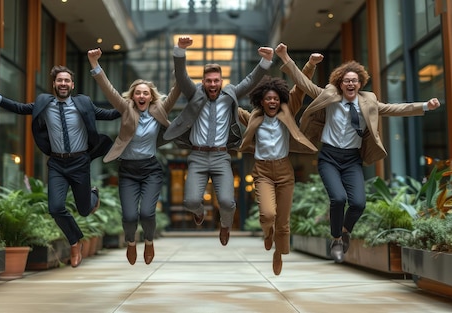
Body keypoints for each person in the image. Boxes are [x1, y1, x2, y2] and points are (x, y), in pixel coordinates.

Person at [278, 46, 441, 263]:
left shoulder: (369, 101)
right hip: (329, 157)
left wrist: (425, 106)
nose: (351, 84)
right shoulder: (329, 95)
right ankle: (336, 239)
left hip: (352, 158)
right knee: (338, 198)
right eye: (346, 80)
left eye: (354, 80)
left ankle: (345, 231)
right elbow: (303, 82)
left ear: (360, 83)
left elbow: (395, 109)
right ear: (340, 83)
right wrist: (285, 57)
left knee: (358, 204)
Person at [0, 65, 121, 268]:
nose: (63, 84)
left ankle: (93, 196)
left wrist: (130, 106)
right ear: (54, 84)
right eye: (59, 80)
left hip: (80, 162)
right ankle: (74, 242)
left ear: (72, 84)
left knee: (83, 210)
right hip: (57, 163)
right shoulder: (43, 103)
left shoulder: (84, 103)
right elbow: (20, 108)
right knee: (55, 208)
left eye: (66, 81)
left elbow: (109, 114)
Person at [163, 35, 274, 246]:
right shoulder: (194, 92)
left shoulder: (230, 93)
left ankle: (225, 225)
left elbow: (250, 81)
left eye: (216, 80)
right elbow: (181, 75)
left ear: (221, 81)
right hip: (197, 156)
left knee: (227, 202)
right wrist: (180, 50)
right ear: (203, 81)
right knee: (191, 201)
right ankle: (199, 213)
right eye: (208, 81)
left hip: (221, 156)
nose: (212, 84)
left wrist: (266, 61)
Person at [87, 48, 180, 265]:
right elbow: (108, 89)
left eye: (145, 93)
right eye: (137, 93)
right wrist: (94, 63)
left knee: (147, 213)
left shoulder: (160, 109)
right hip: (128, 170)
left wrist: (179, 61)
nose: (141, 96)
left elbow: (176, 90)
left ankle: (148, 241)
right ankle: (131, 242)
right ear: (133, 96)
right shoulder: (125, 108)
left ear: (151, 96)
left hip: (151, 170)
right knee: (129, 216)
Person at [237, 45, 323, 275]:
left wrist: (311, 64)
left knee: (283, 221)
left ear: (280, 99)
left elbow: (300, 87)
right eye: (268, 99)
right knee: (268, 215)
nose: (273, 102)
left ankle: (278, 253)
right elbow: (232, 109)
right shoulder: (253, 116)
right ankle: (267, 233)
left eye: (276, 98)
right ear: (261, 101)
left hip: (285, 171)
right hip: (262, 170)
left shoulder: (288, 109)